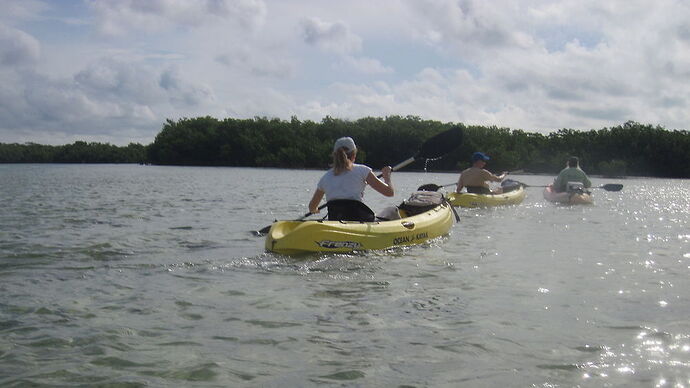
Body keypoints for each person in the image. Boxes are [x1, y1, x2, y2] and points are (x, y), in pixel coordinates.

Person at [308, 137, 394, 220]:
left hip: (336, 220)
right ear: (354, 155)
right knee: (392, 210)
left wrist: (315, 210)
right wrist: (387, 177)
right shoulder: (363, 170)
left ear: (334, 155)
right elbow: (389, 192)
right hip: (359, 221)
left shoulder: (325, 177)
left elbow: (312, 207)